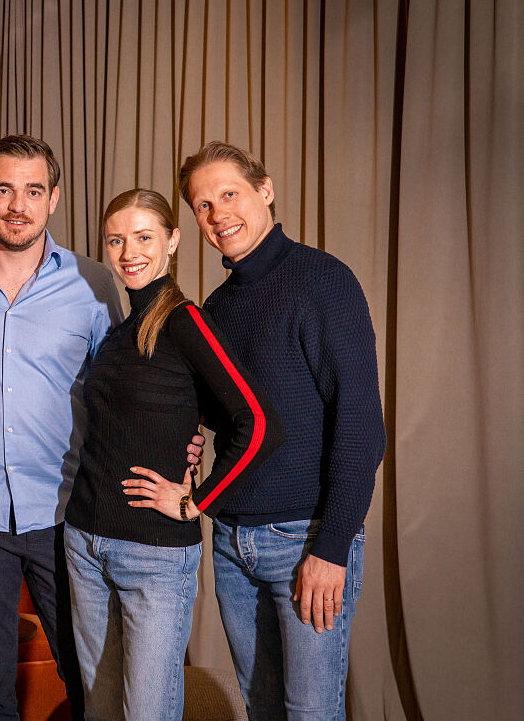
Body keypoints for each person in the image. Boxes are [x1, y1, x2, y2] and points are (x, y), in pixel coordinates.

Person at [0, 134, 130, 720]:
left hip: (65, 511)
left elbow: (117, 393)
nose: (18, 205)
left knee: (91, 679)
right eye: (5, 189)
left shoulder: (93, 286)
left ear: (54, 199)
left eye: (33, 191)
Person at [175, 142, 385, 720]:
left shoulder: (323, 281)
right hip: (232, 543)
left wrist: (333, 547)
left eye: (229, 194)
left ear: (264, 190)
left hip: (305, 539)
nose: (218, 215)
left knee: (311, 714)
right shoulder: (216, 308)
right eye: (202, 205)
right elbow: (237, 421)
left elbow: (362, 424)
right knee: (263, 711)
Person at [64, 189, 284, 720]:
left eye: (144, 237)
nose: (128, 252)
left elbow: (256, 423)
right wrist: (188, 438)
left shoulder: (186, 323)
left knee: (148, 713)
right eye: (116, 240)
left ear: (173, 241)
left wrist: (195, 501)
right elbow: (173, 412)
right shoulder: (116, 333)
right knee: (99, 710)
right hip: (85, 541)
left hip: (155, 554)